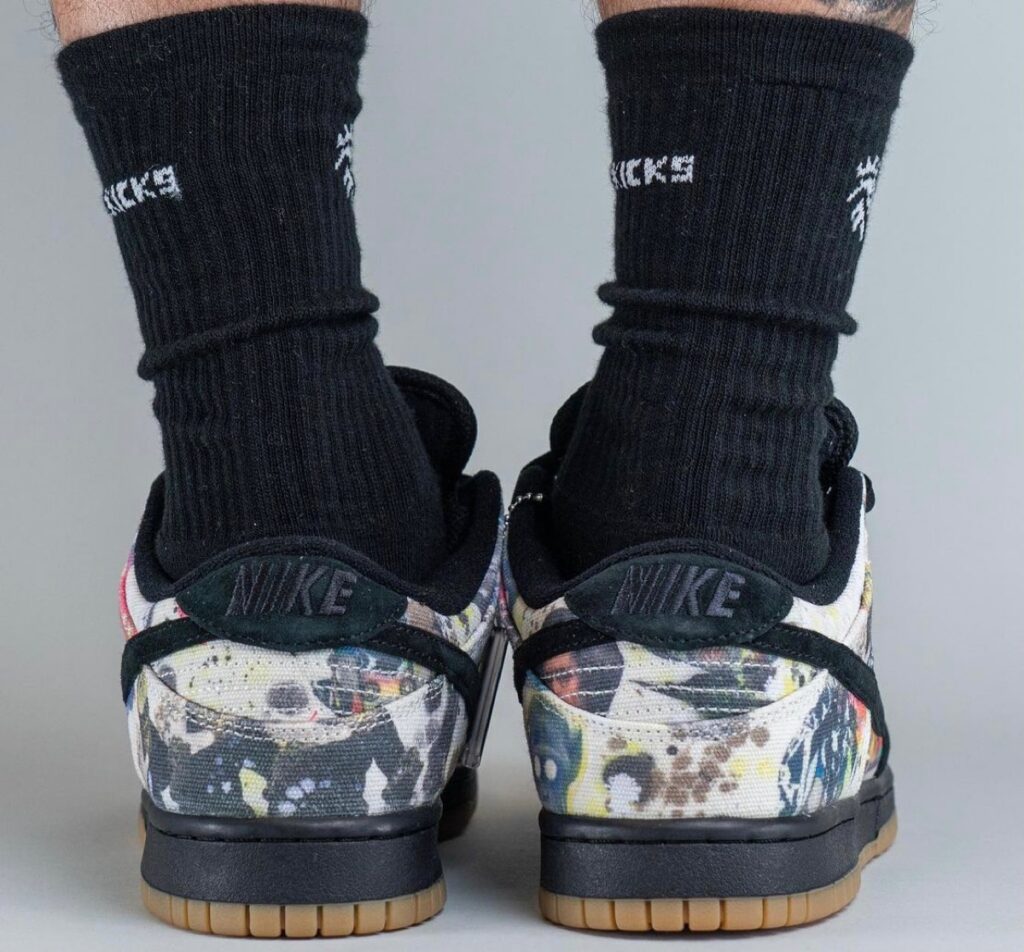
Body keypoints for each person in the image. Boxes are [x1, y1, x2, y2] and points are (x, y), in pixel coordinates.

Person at [55, 0, 915, 936]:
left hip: (209, 689)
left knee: (262, 409)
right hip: (764, 684)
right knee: (714, 403)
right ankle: (722, 547)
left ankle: (258, 545)